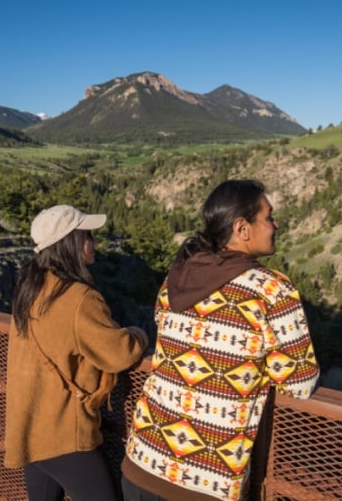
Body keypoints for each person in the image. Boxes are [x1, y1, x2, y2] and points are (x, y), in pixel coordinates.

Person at [121, 179, 320, 501]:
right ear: (242, 228)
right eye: (268, 217)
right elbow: (299, 383)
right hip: (204, 483)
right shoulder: (271, 291)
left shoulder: (176, 279)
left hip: (142, 460)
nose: (275, 224)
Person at [4, 204, 149, 501]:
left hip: (30, 425)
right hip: (64, 433)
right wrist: (140, 333)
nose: (92, 243)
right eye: (87, 236)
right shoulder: (79, 298)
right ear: (69, 243)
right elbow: (120, 353)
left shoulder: (29, 287)